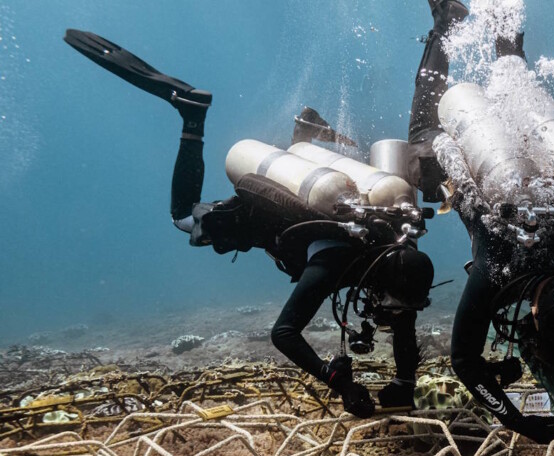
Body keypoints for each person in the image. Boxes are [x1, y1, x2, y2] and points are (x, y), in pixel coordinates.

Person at [64, 30, 435, 418]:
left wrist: (403, 387)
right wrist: (337, 381)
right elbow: (283, 334)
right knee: (182, 218)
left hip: (326, 197)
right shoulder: (334, 264)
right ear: (387, 281)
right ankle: (192, 116)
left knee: (399, 313)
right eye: (390, 305)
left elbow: (405, 319)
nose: (388, 313)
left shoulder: (399, 243)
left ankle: (303, 137)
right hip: (262, 214)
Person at [406, 1, 554, 444]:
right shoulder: (499, 269)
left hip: (523, 167)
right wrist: (519, 421)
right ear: (537, 314)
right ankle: (445, 24)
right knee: (421, 133)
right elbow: (465, 362)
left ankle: (507, 25)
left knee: (515, 89)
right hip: (487, 163)